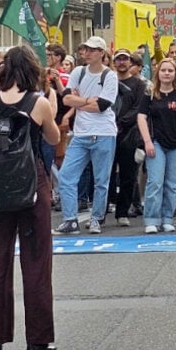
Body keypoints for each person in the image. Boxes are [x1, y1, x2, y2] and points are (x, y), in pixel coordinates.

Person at [0, 45, 60, 350]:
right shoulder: (38, 103)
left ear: (4, 70)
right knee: (36, 263)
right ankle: (38, 341)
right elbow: (53, 140)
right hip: (31, 183)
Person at [55, 37, 118, 234]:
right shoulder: (78, 72)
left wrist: (78, 101)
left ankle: (97, 217)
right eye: (85, 49)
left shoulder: (109, 76)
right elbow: (66, 98)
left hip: (103, 132)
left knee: (101, 180)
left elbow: (102, 106)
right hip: (81, 133)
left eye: (92, 50)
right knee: (66, 175)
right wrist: (85, 100)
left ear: (101, 53)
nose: (88, 53)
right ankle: (70, 219)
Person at [138, 59, 176, 233]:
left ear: (175, 74)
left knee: (172, 183)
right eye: (164, 70)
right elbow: (141, 117)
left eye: (170, 70)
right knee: (155, 182)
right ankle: (152, 219)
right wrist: (147, 141)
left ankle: (167, 218)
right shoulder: (150, 94)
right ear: (158, 73)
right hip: (156, 142)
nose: (167, 73)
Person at [108, 49, 146, 226]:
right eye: (118, 59)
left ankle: (122, 212)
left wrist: (120, 123)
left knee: (128, 175)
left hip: (129, 134)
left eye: (125, 59)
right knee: (104, 175)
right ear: (113, 62)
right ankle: (101, 212)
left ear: (131, 62)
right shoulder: (107, 80)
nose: (122, 62)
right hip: (106, 133)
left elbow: (138, 107)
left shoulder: (138, 84)